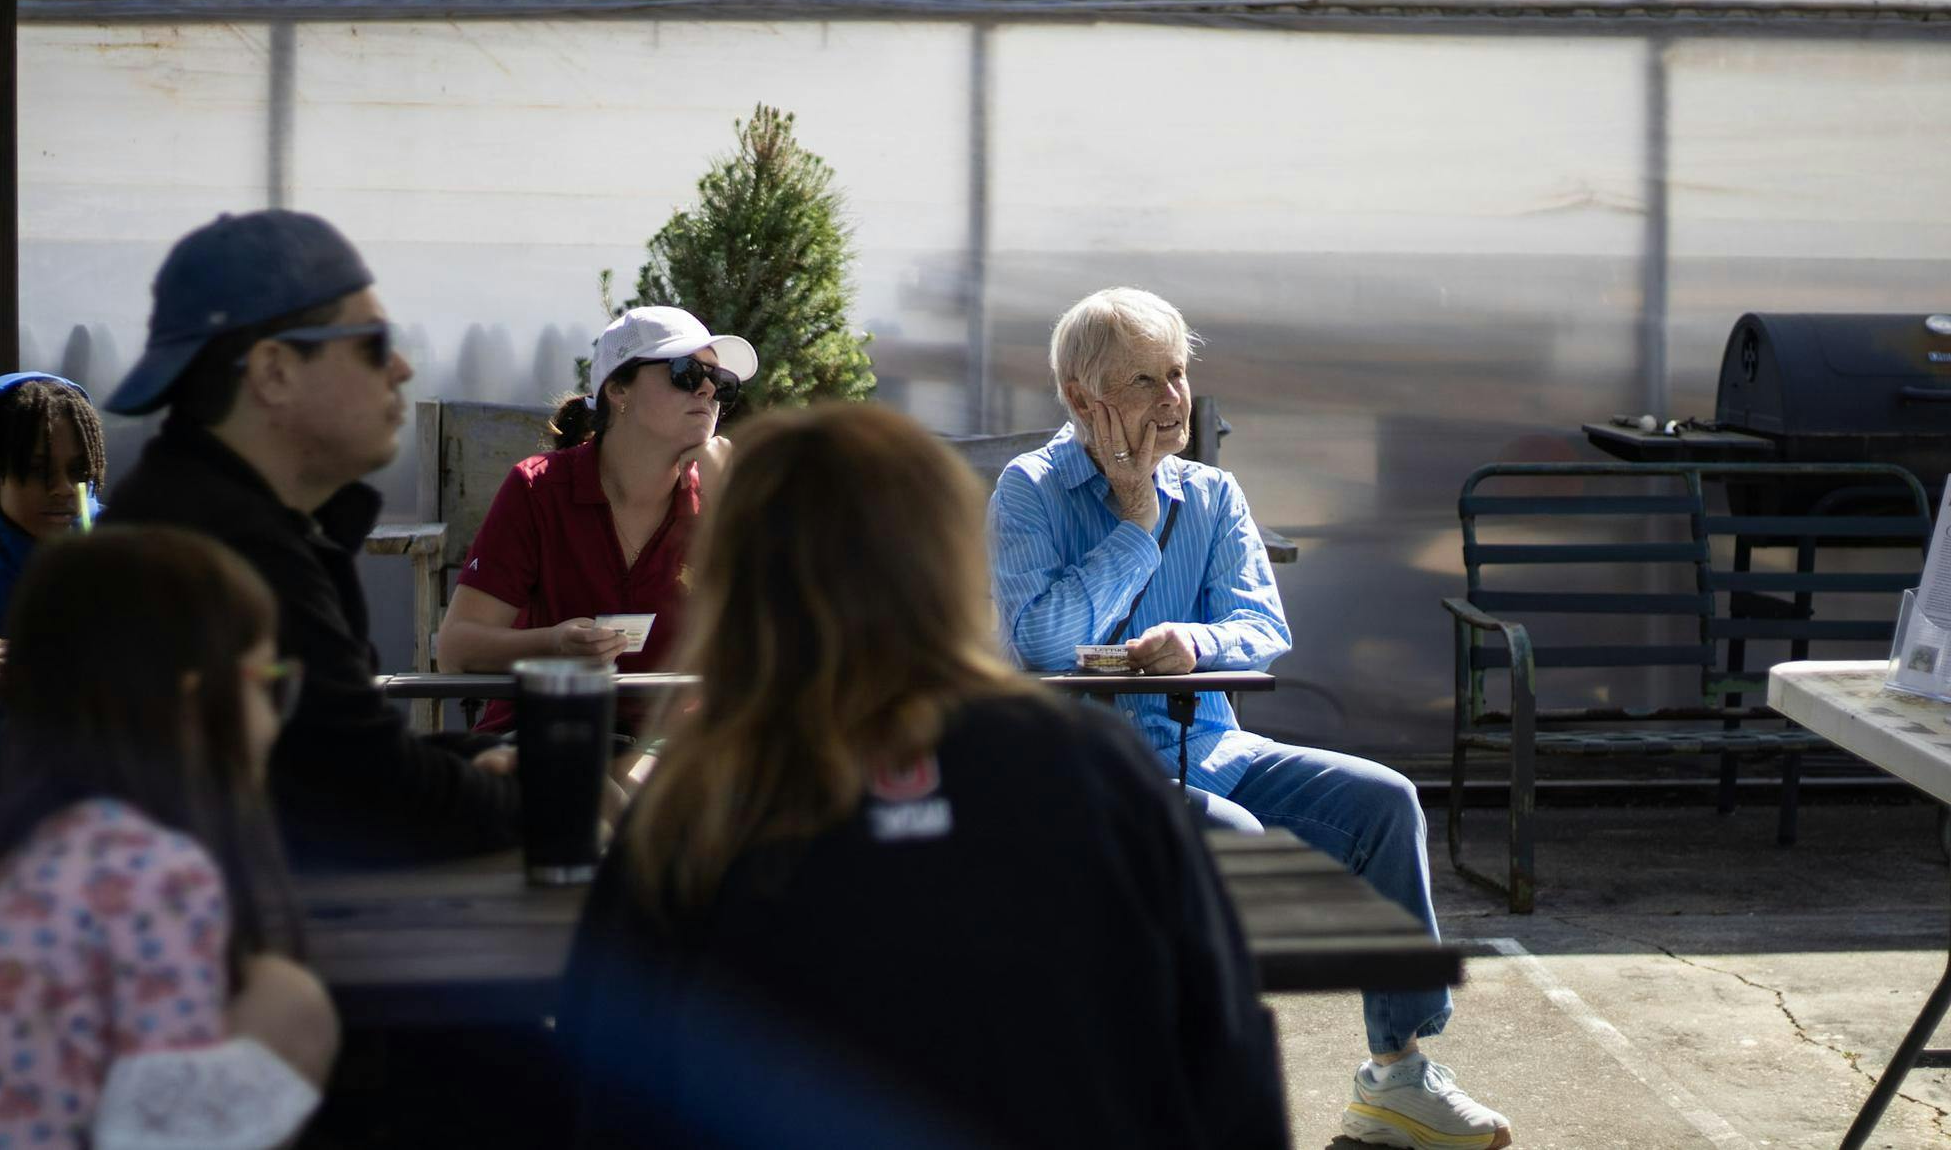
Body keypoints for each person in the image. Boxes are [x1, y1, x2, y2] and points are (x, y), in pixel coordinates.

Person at [562, 402, 1286, 1149]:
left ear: (726, 579)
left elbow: (602, 1102)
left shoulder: (693, 812)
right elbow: (1229, 1071)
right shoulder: (1092, 769)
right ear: (946, 561)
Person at [988, 288, 1511, 1150]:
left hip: (1213, 743)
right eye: (1145, 381)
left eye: (1180, 374)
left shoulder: (1216, 492)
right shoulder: (1032, 491)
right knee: (1229, 835)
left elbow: (1263, 626)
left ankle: (1398, 1077)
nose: (1173, 400)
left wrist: (1195, 640)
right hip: (1088, 771)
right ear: (1083, 399)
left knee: (1385, 801)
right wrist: (1134, 526)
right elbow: (1039, 645)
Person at [99, 210, 521, 864]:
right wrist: (546, 789)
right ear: (273, 372)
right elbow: (368, 794)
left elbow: (330, 753)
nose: (404, 367)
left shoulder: (206, 515)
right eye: (374, 344)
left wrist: (494, 760)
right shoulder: (226, 552)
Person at [0, 527, 336, 1148]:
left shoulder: (25, 848)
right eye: (268, 679)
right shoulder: (158, 871)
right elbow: (166, 1134)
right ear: (194, 704)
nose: (275, 710)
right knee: (290, 1005)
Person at [435, 306, 753, 734]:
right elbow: (457, 649)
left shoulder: (719, 496)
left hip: (667, 747)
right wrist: (555, 644)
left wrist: (728, 501)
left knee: (627, 789)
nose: (707, 392)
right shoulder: (540, 488)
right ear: (618, 390)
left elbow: (775, 644)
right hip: (545, 730)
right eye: (686, 373)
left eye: (721, 383)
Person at [0, 374, 106, 829]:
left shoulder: (122, 550)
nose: (62, 488)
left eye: (78, 472)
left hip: (113, 780)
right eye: (39, 471)